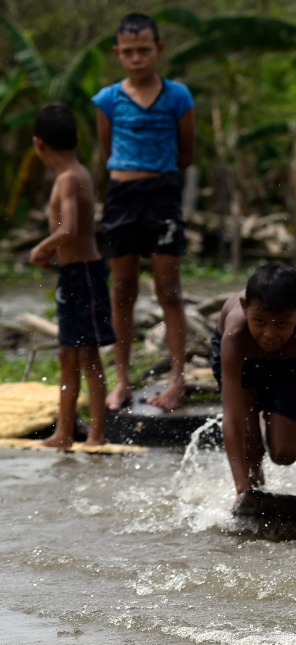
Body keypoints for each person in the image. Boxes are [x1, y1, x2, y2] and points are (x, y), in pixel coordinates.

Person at [93, 12, 196, 413]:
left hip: (163, 194)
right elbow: (107, 151)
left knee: (169, 291)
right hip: (122, 196)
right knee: (122, 291)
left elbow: (187, 151)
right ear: (118, 53)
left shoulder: (177, 96)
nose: (137, 58)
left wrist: (157, 175)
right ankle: (121, 381)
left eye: (144, 50)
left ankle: (176, 380)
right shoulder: (107, 99)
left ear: (159, 50)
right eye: (129, 52)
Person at [28, 103, 115, 450]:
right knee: (68, 354)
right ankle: (64, 431)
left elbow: (71, 228)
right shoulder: (76, 174)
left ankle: (95, 434)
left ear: (39, 145)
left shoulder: (69, 178)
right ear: (77, 139)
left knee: (87, 356)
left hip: (85, 276)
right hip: (72, 275)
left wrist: (42, 247)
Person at [212, 263, 296, 502]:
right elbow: (231, 417)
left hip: (286, 363)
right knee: (250, 445)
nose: (270, 334)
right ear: (244, 308)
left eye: (282, 324)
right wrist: (242, 491)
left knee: (285, 454)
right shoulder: (234, 337)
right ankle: (253, 491)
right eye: (260, 321)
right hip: (243, 360)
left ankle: (264, 418)